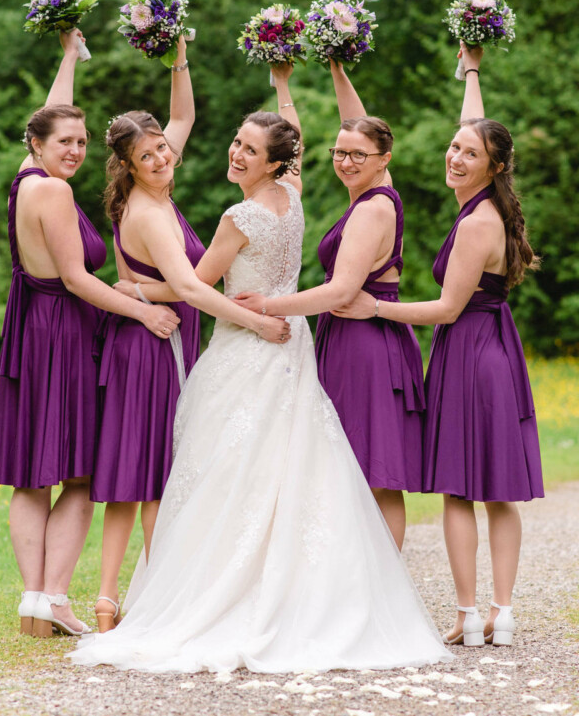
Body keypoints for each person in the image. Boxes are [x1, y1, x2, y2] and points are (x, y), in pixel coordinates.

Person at [70, 65, 451, 672]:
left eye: (250, 148)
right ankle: (294, 589)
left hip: (249, 345)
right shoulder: (291, 197)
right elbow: (292, 141)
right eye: (237, 142)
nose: (236, 152)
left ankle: (228, 592)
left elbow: (195, 287)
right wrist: (284, 87)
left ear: (273, 163)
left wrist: (138, 289)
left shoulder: (238, 218)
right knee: (292, 464)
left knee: (232, 468)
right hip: (292, 343)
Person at [334, 44, 542, 647]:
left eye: (469, 153)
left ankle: (471, 614)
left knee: (461, 488)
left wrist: (376, 308)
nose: (455, 155)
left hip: (471, 352)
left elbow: (447, 309)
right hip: (491, 349)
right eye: (454, 147)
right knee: (498, 490)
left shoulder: (478, 224)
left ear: (493, 166)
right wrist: (471, 68)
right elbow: (473, 122)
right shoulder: (487, 205)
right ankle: (501, 613)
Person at [0, 29, 182, 638]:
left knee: (30, 474)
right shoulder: (55, 191)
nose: (76, 149)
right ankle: (55, 596)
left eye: (83, 141)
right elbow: (76, 278)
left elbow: (50, 113)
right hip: (63, 335)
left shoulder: (25, 179)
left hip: (27, 331)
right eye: (64, 142)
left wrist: (69, 56)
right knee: (79, 473)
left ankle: (34, 602)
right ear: (37, 145)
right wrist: (143, 312)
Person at [91, 37, 291, 633]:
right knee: (152, 474)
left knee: (144, 471)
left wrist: (177, 55)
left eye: (161, 149)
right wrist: (256, 320)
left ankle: (118, 596)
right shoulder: (150, 213)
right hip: (155, 345)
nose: (162, 159)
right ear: (127, 165)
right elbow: (189, 288)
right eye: (147, 155)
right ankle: (142, 599)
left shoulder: (153, 181)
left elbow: (183, 115)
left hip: (158, 334)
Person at [234, 60, 424, 549]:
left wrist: (270, 305)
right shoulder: (376, 191)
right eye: (339, 152)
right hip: (350, 338)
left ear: (384, 158)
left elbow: (341, 292)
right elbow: (354, 125)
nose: (346, 161)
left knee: (371, 472)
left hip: (366, 346)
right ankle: (364, 577)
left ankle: (382, 582)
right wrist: (332, 69)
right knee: (351, 469)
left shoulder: (374, 208)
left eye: (358, 155)